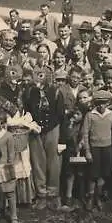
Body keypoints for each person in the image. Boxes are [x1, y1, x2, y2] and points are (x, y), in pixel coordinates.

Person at [24, 64, 65, 211]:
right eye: (36, 74)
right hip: (35, 131)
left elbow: (61, 115)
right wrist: (32, 124)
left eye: (42, 74)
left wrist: (62, 140)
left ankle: (53, 195)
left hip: (53, 129)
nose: (38, 77)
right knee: (37, 163)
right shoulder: (28, 92)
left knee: (53, 163)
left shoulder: (56, 92)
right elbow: (26, 111)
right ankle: (41, 195)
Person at [81, 90, 112, 211]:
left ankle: (98, 197)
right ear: (95, 103)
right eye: (99, 103)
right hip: (94, 148)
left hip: (107, 147)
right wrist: (87, 151)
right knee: (93, 174)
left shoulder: (111, 115)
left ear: (108, 103)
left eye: (104, 103)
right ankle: (90, 197)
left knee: (103, 174)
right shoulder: (90, 115)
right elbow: (85, 133)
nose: (101, 105)